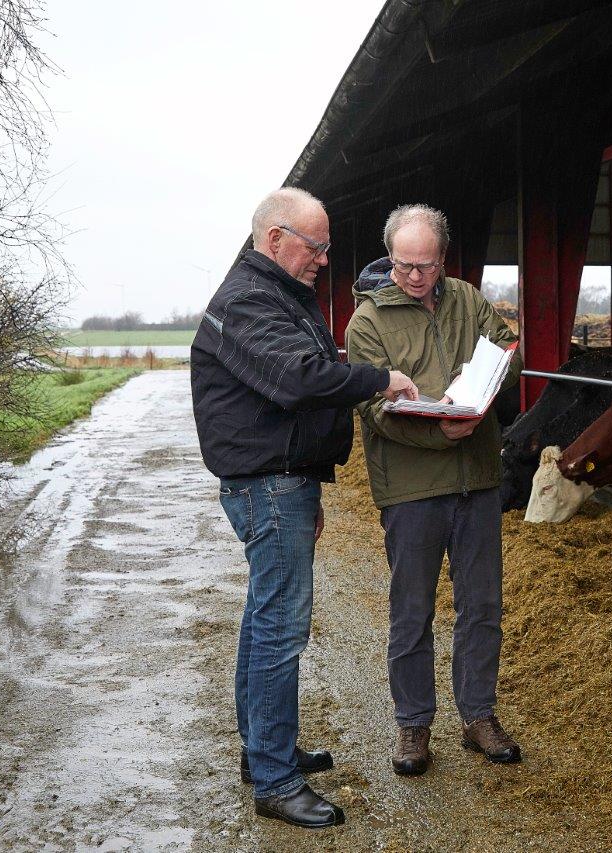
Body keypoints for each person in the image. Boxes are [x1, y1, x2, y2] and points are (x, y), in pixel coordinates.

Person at [190, 187, 418, 829]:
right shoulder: (249, 301)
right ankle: (274, 779)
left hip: (283, 481)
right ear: (275, 240)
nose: (323, 258)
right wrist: (380, 379)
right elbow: (296, 380)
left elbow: (297, 378)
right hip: (268, 484)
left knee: (265, 619)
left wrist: (312, 480)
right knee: (278, 629)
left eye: (325, 247)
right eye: (314, 246)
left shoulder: (271, 296)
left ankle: (266, 749)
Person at [345, 203, 522, 777]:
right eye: (403, 266)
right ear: (389, 258)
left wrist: (490, 378)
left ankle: (477, 716)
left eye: (426, 265)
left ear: (442, 258)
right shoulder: (367, 321)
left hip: (476, 481)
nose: (415, 276)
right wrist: (441, 429)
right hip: (413, 489)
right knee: (412, 610)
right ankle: (414, 725)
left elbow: (507, 350)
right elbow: (373, 409)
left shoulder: (468, 299)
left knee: (482, 606)